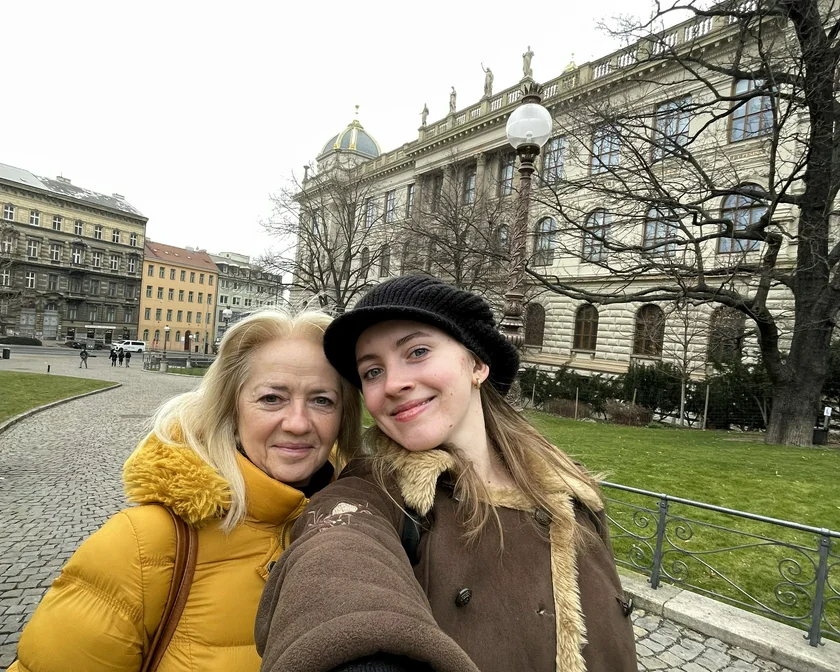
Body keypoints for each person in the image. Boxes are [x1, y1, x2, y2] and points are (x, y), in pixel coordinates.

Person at [256, 276, 637, 672]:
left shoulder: (572, 492)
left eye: (417, 351)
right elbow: (335, 562)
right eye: (372, 372)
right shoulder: (375, 494)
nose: (393, 384)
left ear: (478, 363)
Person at [10, 310, 361, 672]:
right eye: (272, 398)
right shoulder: (142, 544)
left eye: (322, 400)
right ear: (231, 410)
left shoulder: (367, 529)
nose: (298, 423)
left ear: (343, 418)